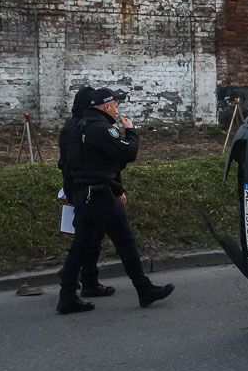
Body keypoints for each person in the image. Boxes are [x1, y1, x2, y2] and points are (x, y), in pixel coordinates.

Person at [56, 88, 175, 314]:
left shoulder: (76, 127)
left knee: (80, 248)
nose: (117, 108)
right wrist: (130, 132)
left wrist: (73, 195)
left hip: (83, 194)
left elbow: (68, 166)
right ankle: (144, 289)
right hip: (100, 195)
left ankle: (67, 295)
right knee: (125, 242)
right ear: (106, 105)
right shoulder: (101, 129)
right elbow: (127, 154)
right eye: (115, 104)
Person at [57, 86, 114, 299]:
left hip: (78, 189)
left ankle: (82, 277)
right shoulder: (85, 127)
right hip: (90, 189)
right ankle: (78, 278)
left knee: (89, 237)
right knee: (89, 239)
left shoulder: (72, 126)